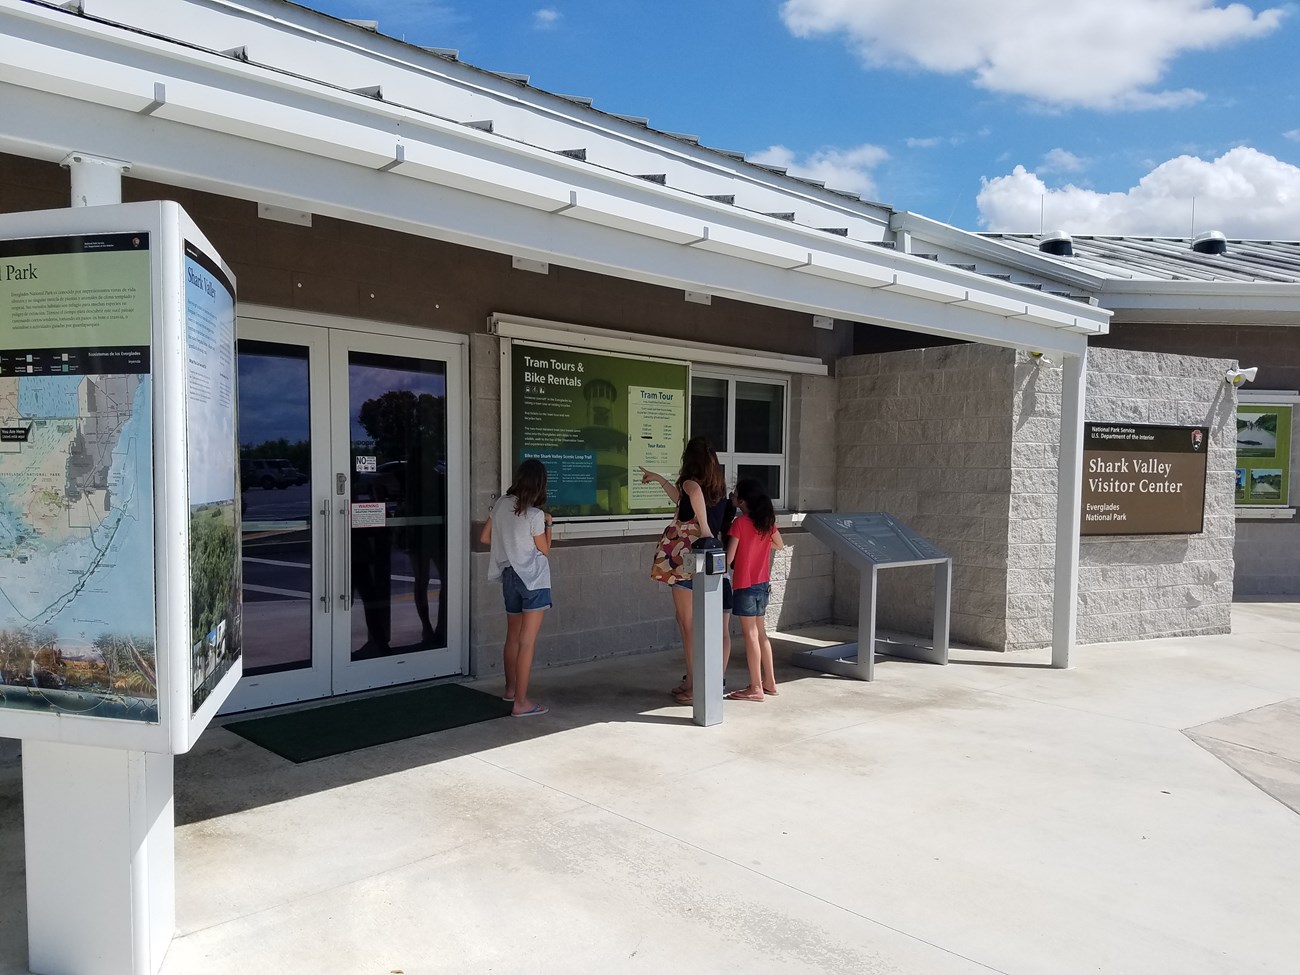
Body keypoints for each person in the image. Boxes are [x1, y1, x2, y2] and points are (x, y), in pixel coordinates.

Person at [640, 436, 726, 704]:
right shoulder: (719, 491)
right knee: (699, 624)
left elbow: (691, 494)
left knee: (687, 624)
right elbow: (684, 500)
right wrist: (660, 480)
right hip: (708, 562)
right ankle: (696, 679)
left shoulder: (693, 484)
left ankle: (694, 682)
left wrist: (704, 528)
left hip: (684, 561)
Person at [480, 458, 553, 717]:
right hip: (533, 580)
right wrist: (548, 524)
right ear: (540, 484)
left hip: (509, 576)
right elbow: (544, 550)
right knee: (527, 642)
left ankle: (510, 690)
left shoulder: (500, 504)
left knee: (512, 637)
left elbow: (485, 537)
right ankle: (521, 702)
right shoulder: (534, 515)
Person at [724, 478, 784, 702]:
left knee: (749, 636)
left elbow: (728, 557)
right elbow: (779, 544)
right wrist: (761, 546)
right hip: (762, 584)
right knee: (761, 634)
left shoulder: (740, 523)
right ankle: (770, 681)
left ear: (742, 500)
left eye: (736, 494)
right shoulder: (767, 522)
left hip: (745, 584)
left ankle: (756, 687)